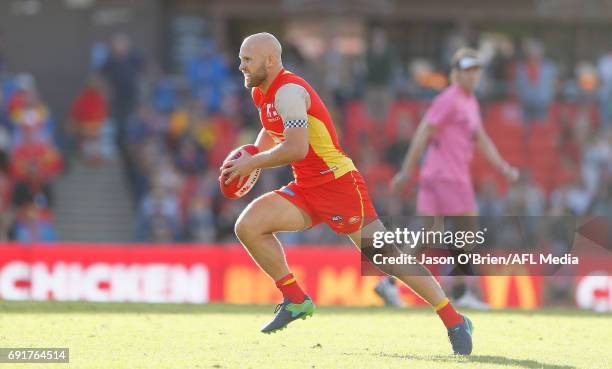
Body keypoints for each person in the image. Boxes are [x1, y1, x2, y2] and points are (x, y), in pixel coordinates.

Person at [220, 33, 473, 355]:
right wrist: (254, 153)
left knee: (386, 258)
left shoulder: (288, 92)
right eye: (241, 59)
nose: (240, 66)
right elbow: (274, 131)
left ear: (270, 61)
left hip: (339, 185)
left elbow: (296, 148)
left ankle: (454, 320)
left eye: (247, 59)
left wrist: (253, 163)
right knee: (248, 226)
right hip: (306, 186)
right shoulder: (261, 91)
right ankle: (296, 300)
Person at [381, 48, 519, 309]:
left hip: (440, 174)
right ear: (455, 74)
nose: (472, 76)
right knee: (468, 232)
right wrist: (407, 170)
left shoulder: (468, 101)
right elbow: (424, 132)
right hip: (449, 177)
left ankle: (388, 284)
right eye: (466, 71)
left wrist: (502, 167)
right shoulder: (451, 99)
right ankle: (459, 290)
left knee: (425, 235)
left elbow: (482, 139)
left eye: (475, 71)